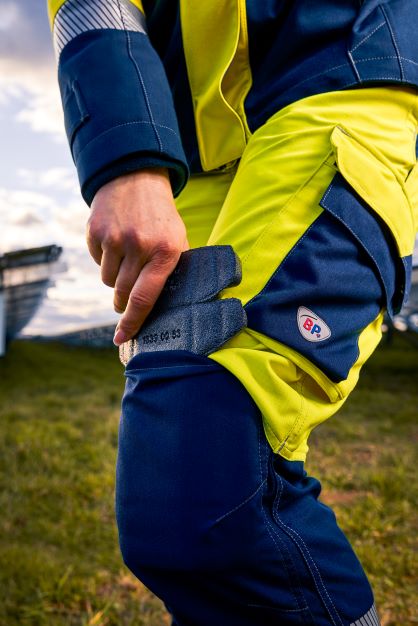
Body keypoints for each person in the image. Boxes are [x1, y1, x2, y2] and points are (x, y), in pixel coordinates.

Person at [47, 1, 418, 624]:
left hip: (334, 77)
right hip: (192, 149)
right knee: (179, 486)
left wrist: (129, 158)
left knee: (203, 510)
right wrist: (130, 152)